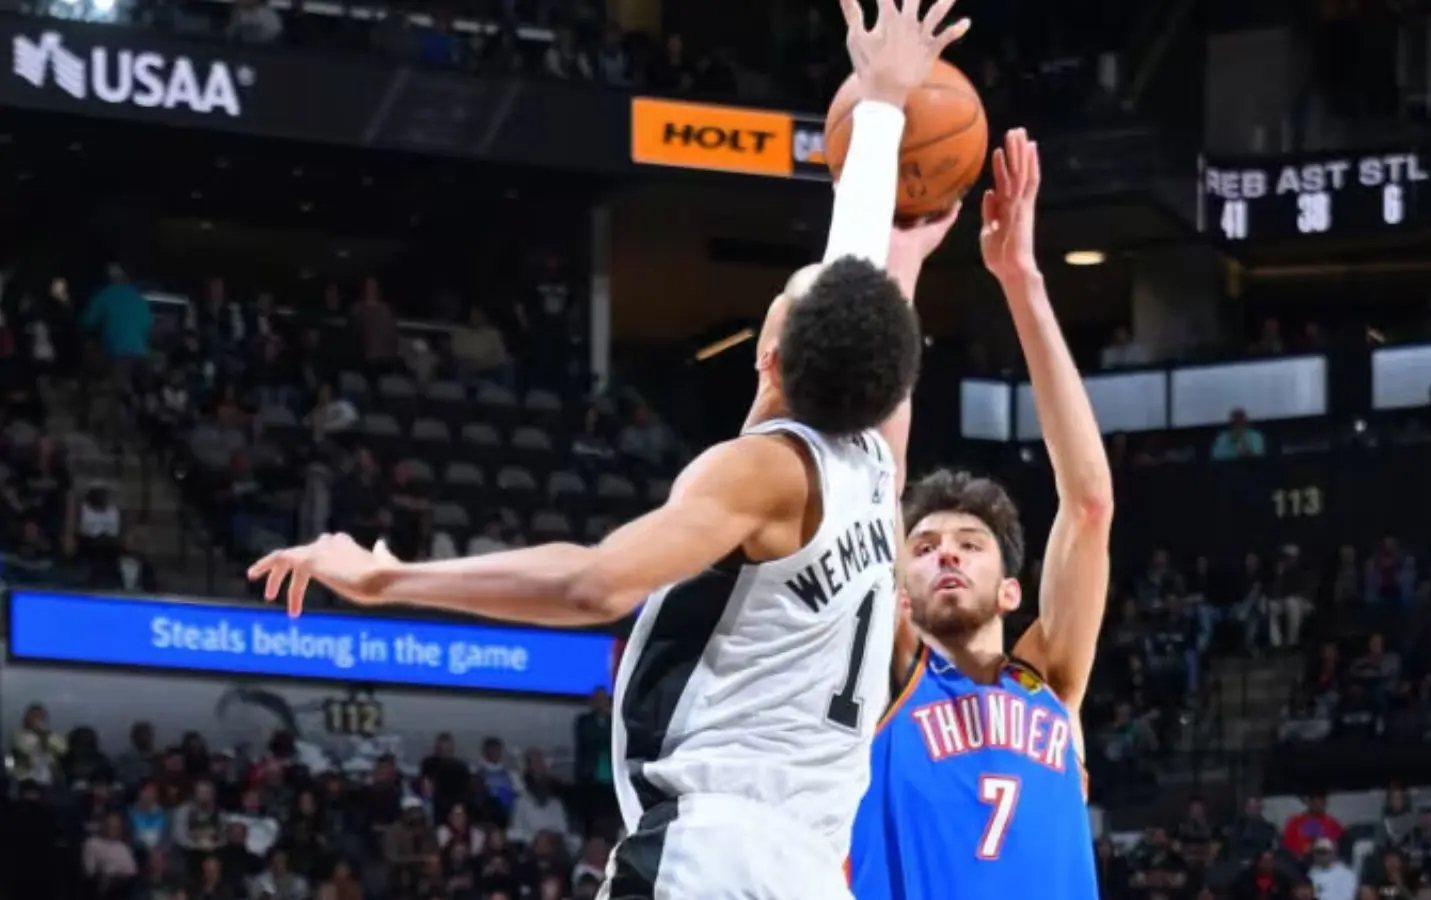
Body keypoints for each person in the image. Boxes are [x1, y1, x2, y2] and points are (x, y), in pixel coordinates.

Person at [246, 2, 970, 899]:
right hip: (812, 872)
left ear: (769, 355)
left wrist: (387, 579)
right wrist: (887, 113)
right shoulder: (871, 470)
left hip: (711, 854)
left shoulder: (763, 472)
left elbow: (595, 583)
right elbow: (856, 279)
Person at [849, 129, 1112, 900]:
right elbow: (877, 476)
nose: (946, 555)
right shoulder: (888, 678)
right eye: (925, 545)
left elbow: (1089, 503)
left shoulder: (1053, 686)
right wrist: (902, 268)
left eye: (969, 543)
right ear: (901, 590)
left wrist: (1023, 280)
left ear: (1010, 591)